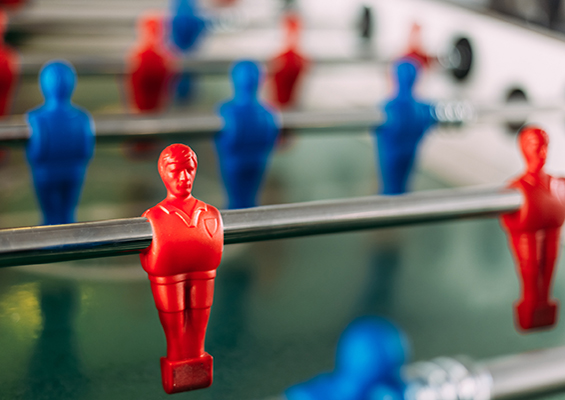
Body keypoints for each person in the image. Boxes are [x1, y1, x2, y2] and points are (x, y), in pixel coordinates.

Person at [140, 144, 224, 393]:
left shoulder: (209, 212)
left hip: (202, 272)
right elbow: (152, 261)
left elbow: (212, 253)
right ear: (164, 174)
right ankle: (180, 362)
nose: (184, 178)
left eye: (189, 170)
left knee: (199, 323)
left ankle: (196, 361)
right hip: (169, 276)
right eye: (176, 171)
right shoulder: (155, 216)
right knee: (175, 326)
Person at [501, 126, 565, 331]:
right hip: (527, 235)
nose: (542, 153)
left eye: (545, 147)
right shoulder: (517, 188)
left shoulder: (556, 184)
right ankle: (531, 313)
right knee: (530, 276)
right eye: (535, 147)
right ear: (524, 149)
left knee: (547, 272)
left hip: (551, 232)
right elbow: (508, 219)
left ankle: (542, 312)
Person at [26, 60, 94, 225]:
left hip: (46, 173)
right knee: (67, 209)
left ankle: (52, 233)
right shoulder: (81, 116)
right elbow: (86, 149)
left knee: (50, 212)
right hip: (73, 172)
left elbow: (36, 150)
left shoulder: (36, 117)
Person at [216, 60, 279, 209]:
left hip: (241, 160)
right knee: (243, 199)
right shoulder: (266, 111)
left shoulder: (227, 110)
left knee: (241, 199)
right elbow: (271, 137)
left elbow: (223, 140)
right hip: (252, 159)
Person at [373, 59, 435, 195]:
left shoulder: (388, 107)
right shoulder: (423, 108)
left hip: (391, 155)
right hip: (409, 154)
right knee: (403, 183)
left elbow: (373, 126)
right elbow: (434, 113)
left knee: (391, 185)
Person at [127, 13, 175, 112]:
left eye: (155, 30)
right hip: (144, 106)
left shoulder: (166, 57)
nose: (152, 34)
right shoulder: (137, 56)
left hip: (155, 106)